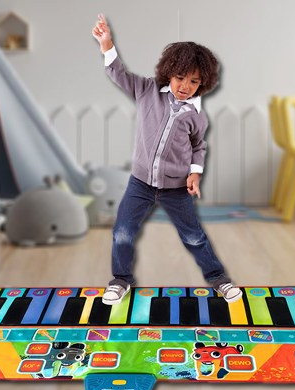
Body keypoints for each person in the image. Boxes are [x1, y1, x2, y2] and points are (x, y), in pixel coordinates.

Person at [92, 14, 242, 305]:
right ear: (168, 73)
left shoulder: (197, 115)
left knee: (193, 236)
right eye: (180, 77)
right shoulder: (147, 91)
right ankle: (120, 280)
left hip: (176, 187)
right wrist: (107, 44)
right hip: (141, 182)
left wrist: (195, 173)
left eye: (194, 81)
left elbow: (199, 146)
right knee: (123, 230)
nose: (185, 85)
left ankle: (219, 279)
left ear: (204, 84)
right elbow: (118, 73)